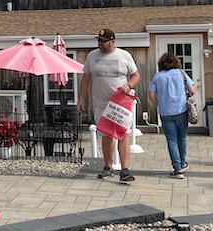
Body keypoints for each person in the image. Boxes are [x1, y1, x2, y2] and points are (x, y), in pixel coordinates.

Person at [78, 28, 140, 183]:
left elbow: (136, 75)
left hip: (120, 101)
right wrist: (81, 99)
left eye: (103, 41)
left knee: (122, 132)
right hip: (100, 102)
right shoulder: (92, 56)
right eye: (99, 41)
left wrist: (128, 85)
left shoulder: (124, 56)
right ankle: (108, 166)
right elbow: (85, 78)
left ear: (113, 41)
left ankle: (125, 169)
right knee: (106, 134)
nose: (100, 44)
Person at [148, 52, 195, 178]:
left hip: (165, 112)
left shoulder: (157, 76)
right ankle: (183, 162)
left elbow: (151, 96)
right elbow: (192, 90)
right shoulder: (181, 73)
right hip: (181, 110)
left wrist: (160, 102)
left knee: (172, 140)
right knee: (182, 138)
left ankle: (177, 168)